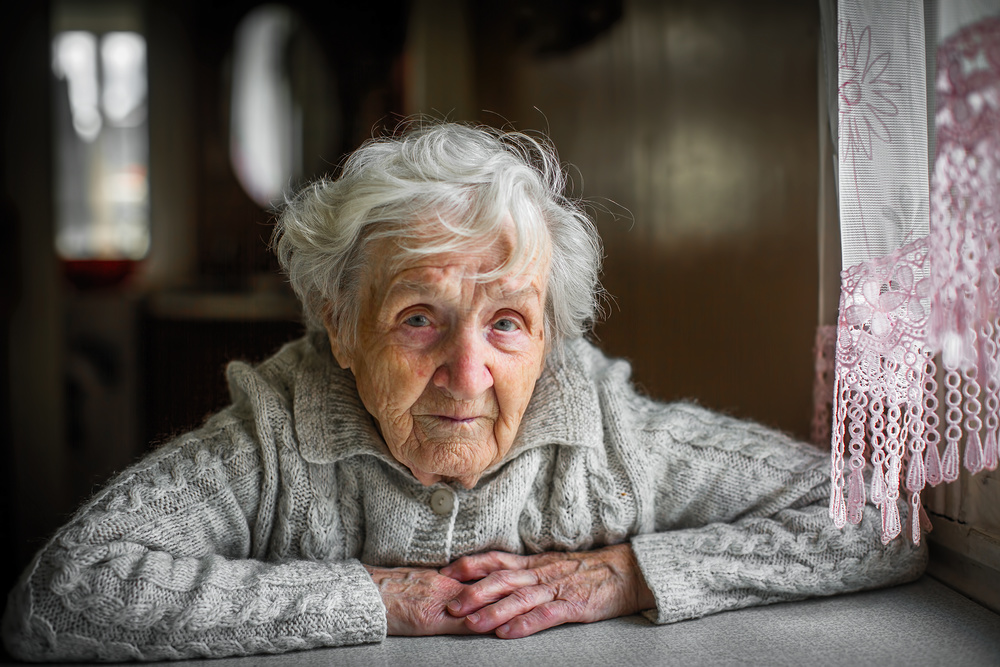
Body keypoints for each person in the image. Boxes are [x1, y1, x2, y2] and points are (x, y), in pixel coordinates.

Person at [2, 122, 925, 662]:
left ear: (549, 340)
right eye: (417, 318)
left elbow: (879, 516)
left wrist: (624, 575)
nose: (468, 373)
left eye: (508, 324)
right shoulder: (276, 437)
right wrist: (379, 599)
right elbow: (62, 596)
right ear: (341, 325)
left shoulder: (605, 438)